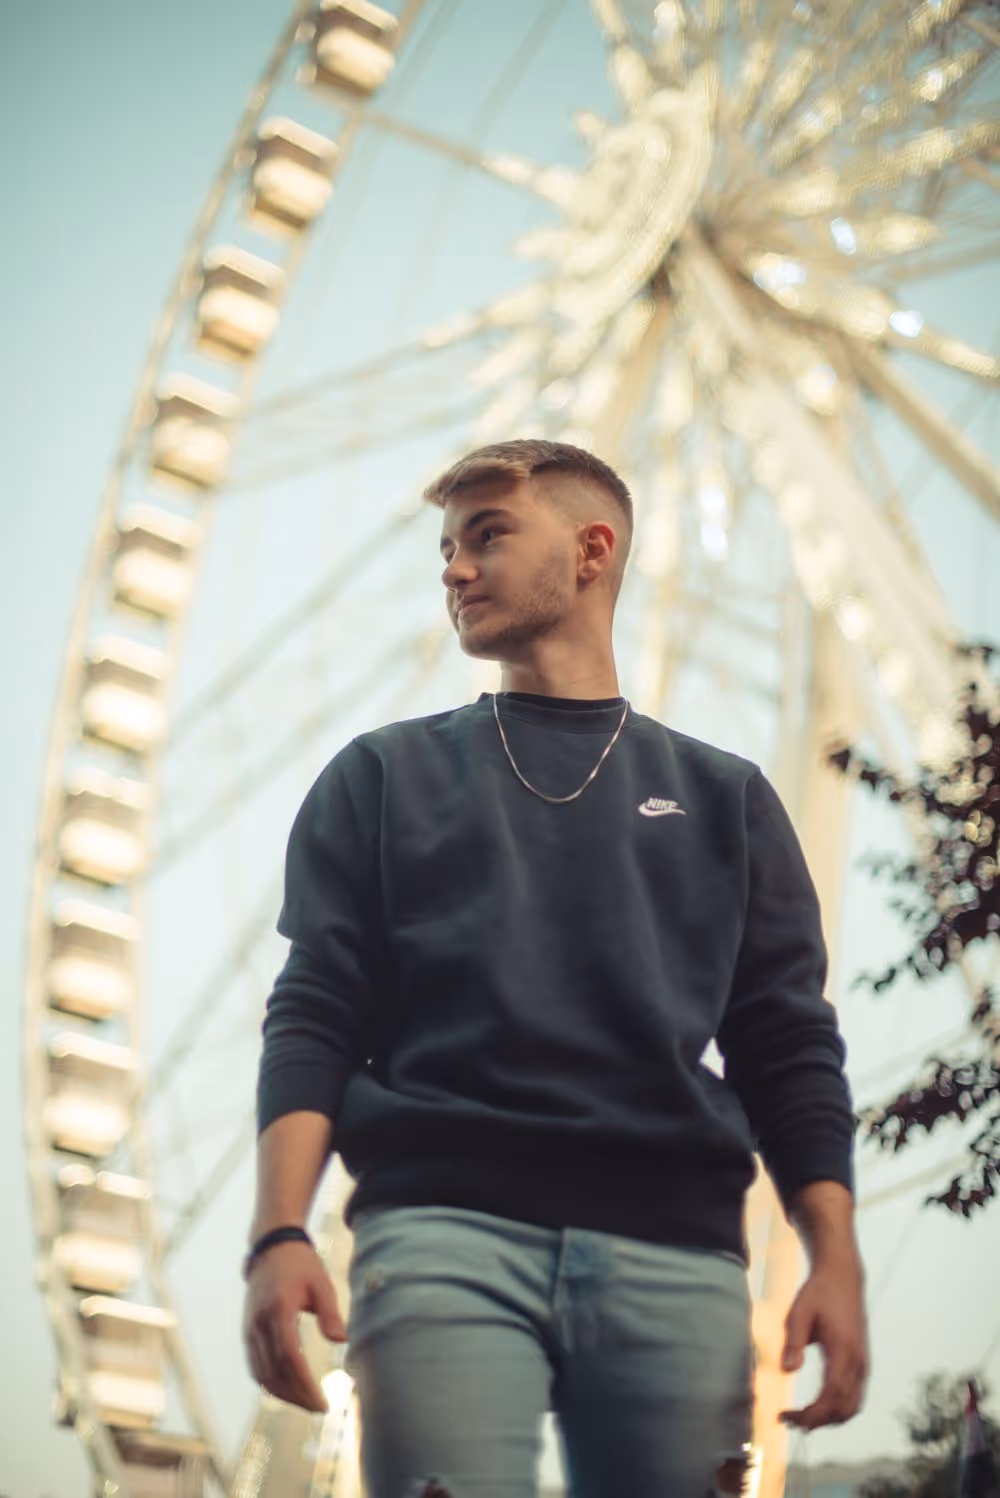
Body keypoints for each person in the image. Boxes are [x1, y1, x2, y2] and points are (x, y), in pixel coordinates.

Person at [243, 439, 869, 1498]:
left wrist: (834, 1259)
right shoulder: (381, 776)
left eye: (487, 536)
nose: (454, 568)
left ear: (591, 551)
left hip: (676, 1251)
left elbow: (786, 1045)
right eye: (446, 547)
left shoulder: (725, 798)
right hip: (439, 1233)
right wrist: (277, 1232)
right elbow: (314, 1014)